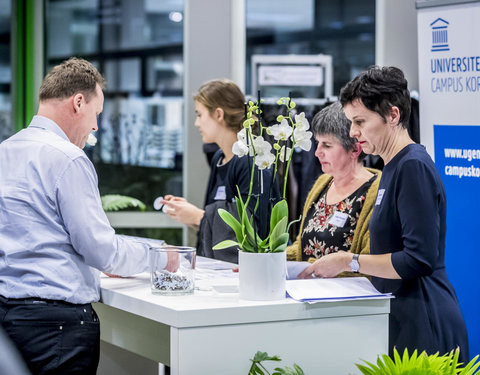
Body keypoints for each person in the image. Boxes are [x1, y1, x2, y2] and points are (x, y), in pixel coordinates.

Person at [0, 57, 176, 375]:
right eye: (96, 114)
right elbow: (100, 250)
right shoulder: (68, 158)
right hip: (56, 329)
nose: (95, 126)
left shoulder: (5, 151)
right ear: (78, 102)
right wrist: (160, 256)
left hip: (8, 321)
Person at [299, 66, 469, 362]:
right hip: (403, 314)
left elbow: (419, 259)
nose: (353, 132)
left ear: (393, 116)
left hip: (424, 320)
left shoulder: (412, 166)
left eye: (360, 122)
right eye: (352, 122)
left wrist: (348, 261)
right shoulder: (392, 167)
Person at [162, 79, 277, 263]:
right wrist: (188, 214)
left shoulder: (251, 161)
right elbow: (219, 223)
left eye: (199, 115)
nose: (196, 123)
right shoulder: (219, 158)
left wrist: (199, 216)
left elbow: (252, 228)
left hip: (243, 272)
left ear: (218, 114)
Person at [287, 102, 381, 276]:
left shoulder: (377, 192)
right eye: (318, 143)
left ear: (355, 148)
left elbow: (372, 261)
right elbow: (302, 246)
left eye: (327, 145)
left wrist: (314, 269)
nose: (317, 152)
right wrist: (268, 261)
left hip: (349, 298)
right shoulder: (322, 183)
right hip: (309, 295)